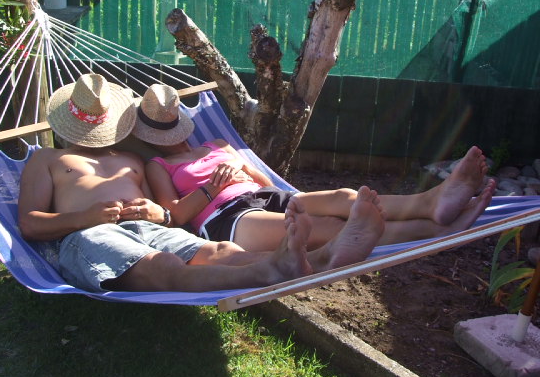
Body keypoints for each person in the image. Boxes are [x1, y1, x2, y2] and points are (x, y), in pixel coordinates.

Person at [17, 73, 386, 294]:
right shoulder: (47, 159)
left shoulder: (131, 160)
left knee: (223, 252)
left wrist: (154, 211)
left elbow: (168, 215)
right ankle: (273, 270)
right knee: (164, 267)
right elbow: (30, 224)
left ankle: (319, 257)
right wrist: (85, 218)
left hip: (146, 226)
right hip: (89, 237)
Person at [133, 84, 497, 253]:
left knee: (345, 197)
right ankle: (438, 228)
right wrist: (211, 188)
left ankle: (431, 204)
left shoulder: (217, 144)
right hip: (228, 218)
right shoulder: (158, 165)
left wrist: (246, 176)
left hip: (266, 194)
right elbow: (174, 215)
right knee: (325, 229)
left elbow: (262, 179)